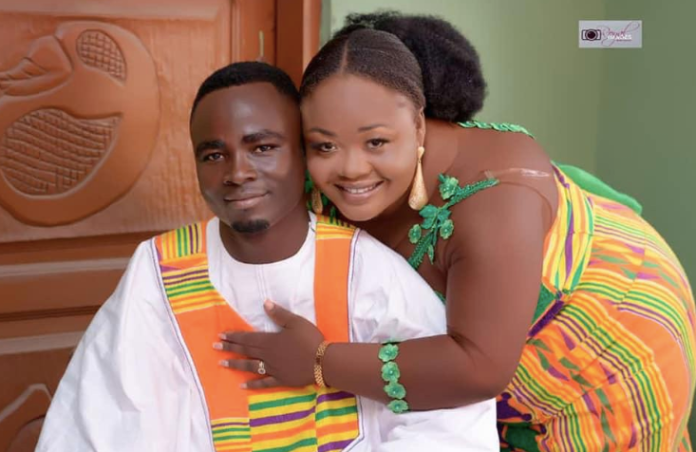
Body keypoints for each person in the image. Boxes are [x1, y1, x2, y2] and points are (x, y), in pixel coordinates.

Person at [219, 13, 696, 451]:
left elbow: (479, 367)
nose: (351, 168)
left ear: (419, 124)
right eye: (324, 146)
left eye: (376, 142)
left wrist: (321, 362)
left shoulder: (498, 198)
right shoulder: (335, 156)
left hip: (600, 362)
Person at [35, 62, 498, 452]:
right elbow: (102, 420)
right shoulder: (160, 269)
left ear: (303, 154)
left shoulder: (362, 268)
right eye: (213, 155)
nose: (237, 172)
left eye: (262, 147)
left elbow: (448, 419)